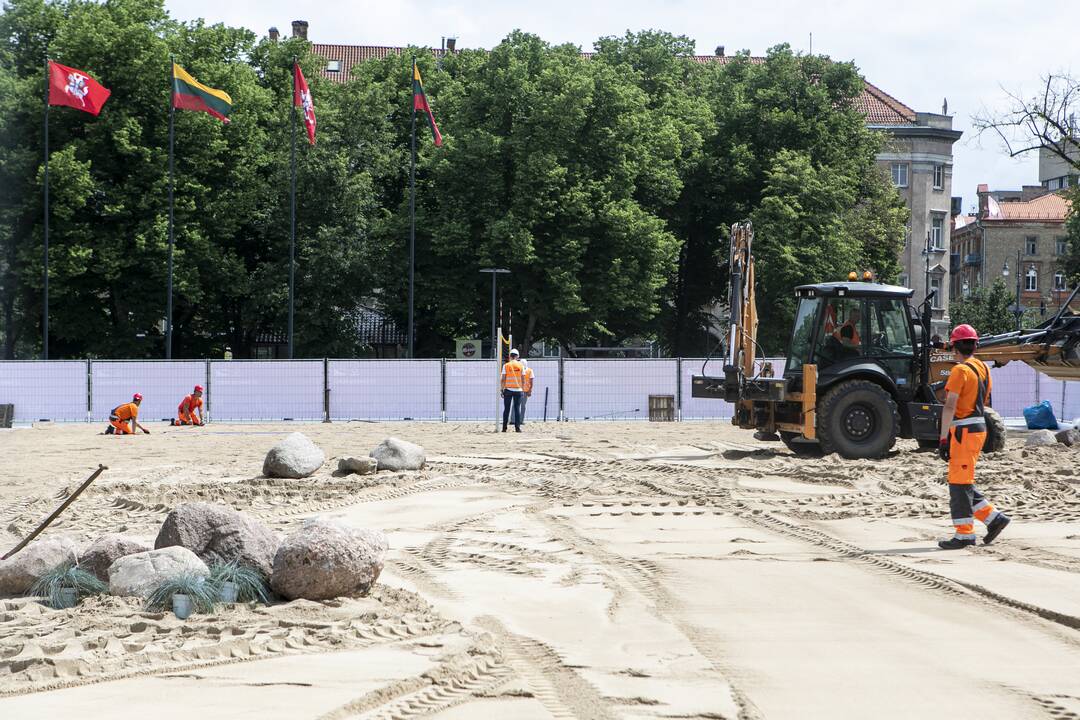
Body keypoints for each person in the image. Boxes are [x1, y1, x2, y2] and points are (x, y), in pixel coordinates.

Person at [937, 324, 1010, 549]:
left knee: (959, 483)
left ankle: (964, 534)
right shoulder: (982, 368)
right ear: (975, 345)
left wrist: (942, 439)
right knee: (962, 481)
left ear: (953, 346)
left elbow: (950, 406)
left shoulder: (960, 371)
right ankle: (993, 519)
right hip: (978, 427)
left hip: (963, 430)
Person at [501, 348, 526, 432]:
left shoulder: (506, 365)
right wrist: (522, 388)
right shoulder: (521, 365)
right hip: (518, 390)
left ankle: (504, 428)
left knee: (506, 409)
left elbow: (503, 379)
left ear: (510, 356)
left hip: (508, 389)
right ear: (517, 356)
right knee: (517, 409)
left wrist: (502, 389)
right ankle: (517, 428)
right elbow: (523, 379)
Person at [520, 360, 535, 424]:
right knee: (523, 406)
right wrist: (530, 390)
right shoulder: (530, 371)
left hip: (518, 390)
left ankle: (513, 420)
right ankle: (521, 420)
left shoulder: (519, 370)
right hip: (525, 391)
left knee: (515, 406)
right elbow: (531, 382)